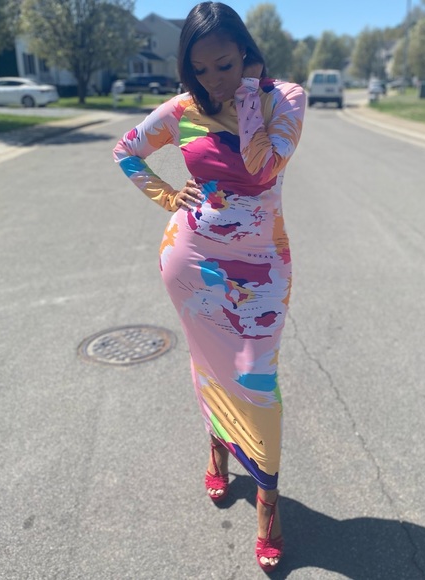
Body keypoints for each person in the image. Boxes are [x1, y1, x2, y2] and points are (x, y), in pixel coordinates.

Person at [113, 1, 305, 572]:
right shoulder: (182, 109)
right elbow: (127, 151)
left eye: (224, 64)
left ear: (245, 51)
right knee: (208, 365)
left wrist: (244, 94)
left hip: (263, 264)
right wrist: (169, 196)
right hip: (193, 260)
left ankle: (268, 503)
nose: (213, 80)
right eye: (199, 70)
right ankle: (217, 451)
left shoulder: (282, 98)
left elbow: (262, 167)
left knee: (257, 379)